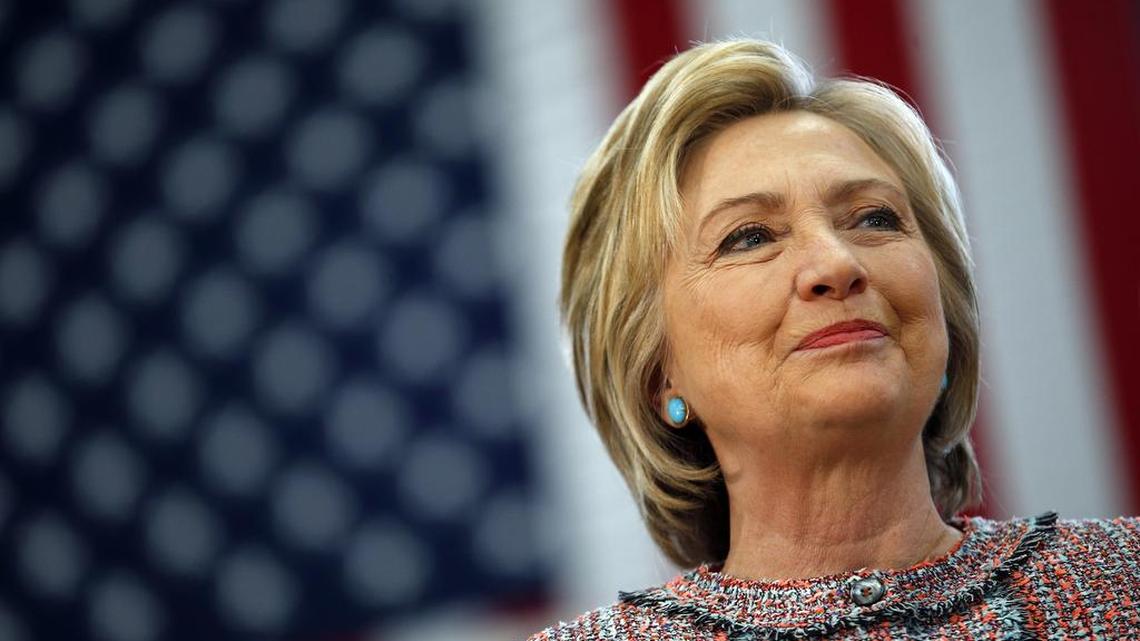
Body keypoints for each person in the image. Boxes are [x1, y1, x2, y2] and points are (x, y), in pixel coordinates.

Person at [530, 39, 1140, 640]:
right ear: (659, 371)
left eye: (875, 218)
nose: (837, 263)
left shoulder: (1122, 580)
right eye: (750, 237)